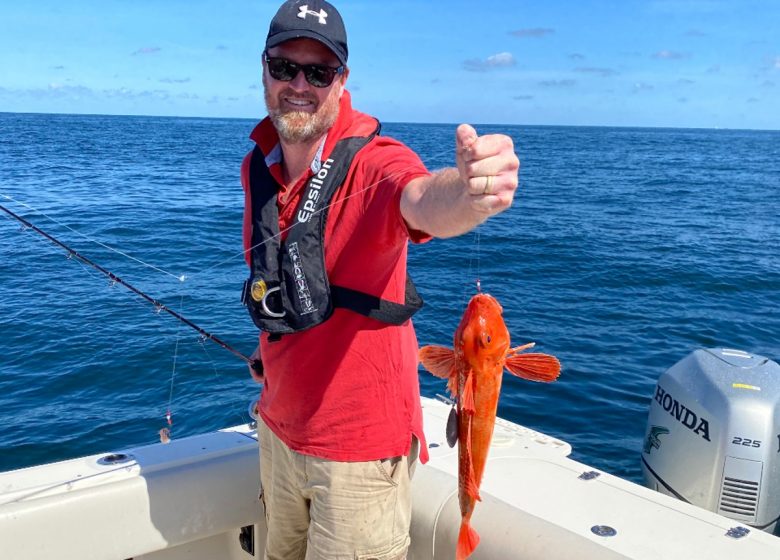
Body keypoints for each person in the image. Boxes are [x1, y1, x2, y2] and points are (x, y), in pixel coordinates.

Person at [240, 1, 519, 558]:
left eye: (318, 72)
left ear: (341, 82)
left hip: (358, 459)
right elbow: (281, 281)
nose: (299, 84)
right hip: (276, 428)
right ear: (263, 70)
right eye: (284, 66)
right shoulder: (260, 163)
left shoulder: (375, 163)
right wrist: (265, 350)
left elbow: (419, 198)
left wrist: (468, 195)